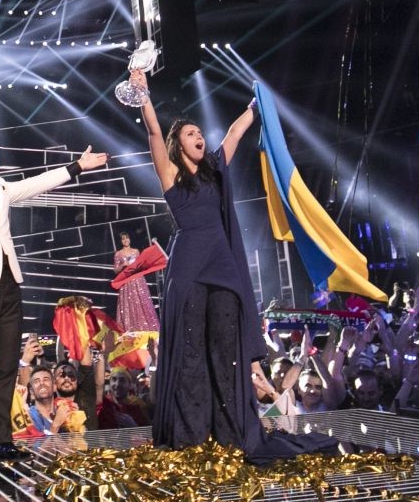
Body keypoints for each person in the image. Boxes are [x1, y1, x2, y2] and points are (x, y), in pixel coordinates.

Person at [129, 69, 337, 460]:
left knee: (227, 350)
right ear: (178, 144)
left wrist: (257, 105)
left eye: (199, 133)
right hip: (188, 265)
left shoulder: (215, 169)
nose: (199, 137)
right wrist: (143, 93)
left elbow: (235, 133)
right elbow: (154, 131)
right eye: (190, 134)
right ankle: (191, 437)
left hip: (222, 264)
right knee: (190, 352)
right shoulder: (170, 174)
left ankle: (232, 434)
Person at [0, 132, 107, 462]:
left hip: (8, 283)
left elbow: (36, 183)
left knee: (8, 364)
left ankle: (1, 439)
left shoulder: (0, 187)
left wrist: (77, 167)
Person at [112, 232, 160, 333]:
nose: (125, 240)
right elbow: (115, 270)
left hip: (138, 280)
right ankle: (129, 329)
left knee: (141, 302)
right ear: (120, 241)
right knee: (128, 305)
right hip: (126, 282)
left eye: (127, 238)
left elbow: (141, 264)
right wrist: (123, 265)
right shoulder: (118, 254)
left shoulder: (136, 251)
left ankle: (145, 328)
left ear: (130, 239)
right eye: (123, 239)